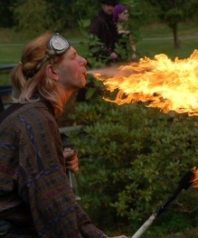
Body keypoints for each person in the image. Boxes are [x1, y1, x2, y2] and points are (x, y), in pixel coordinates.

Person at [0, 32, 128, 238]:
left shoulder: (30, 114)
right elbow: (56, 218)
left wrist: (54, 163)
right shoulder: (37, 123)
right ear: (53, 71)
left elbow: (61, 203)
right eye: (73, 57)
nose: (83, 60)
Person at [89, 0, 119, 65]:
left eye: (112, 6)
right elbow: (93, 42)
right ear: (103, 6)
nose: (110, 8)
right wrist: (108, 53)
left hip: (111, 60)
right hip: (100, 60)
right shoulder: (98, 20)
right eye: (108, 5)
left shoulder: (112, 21)